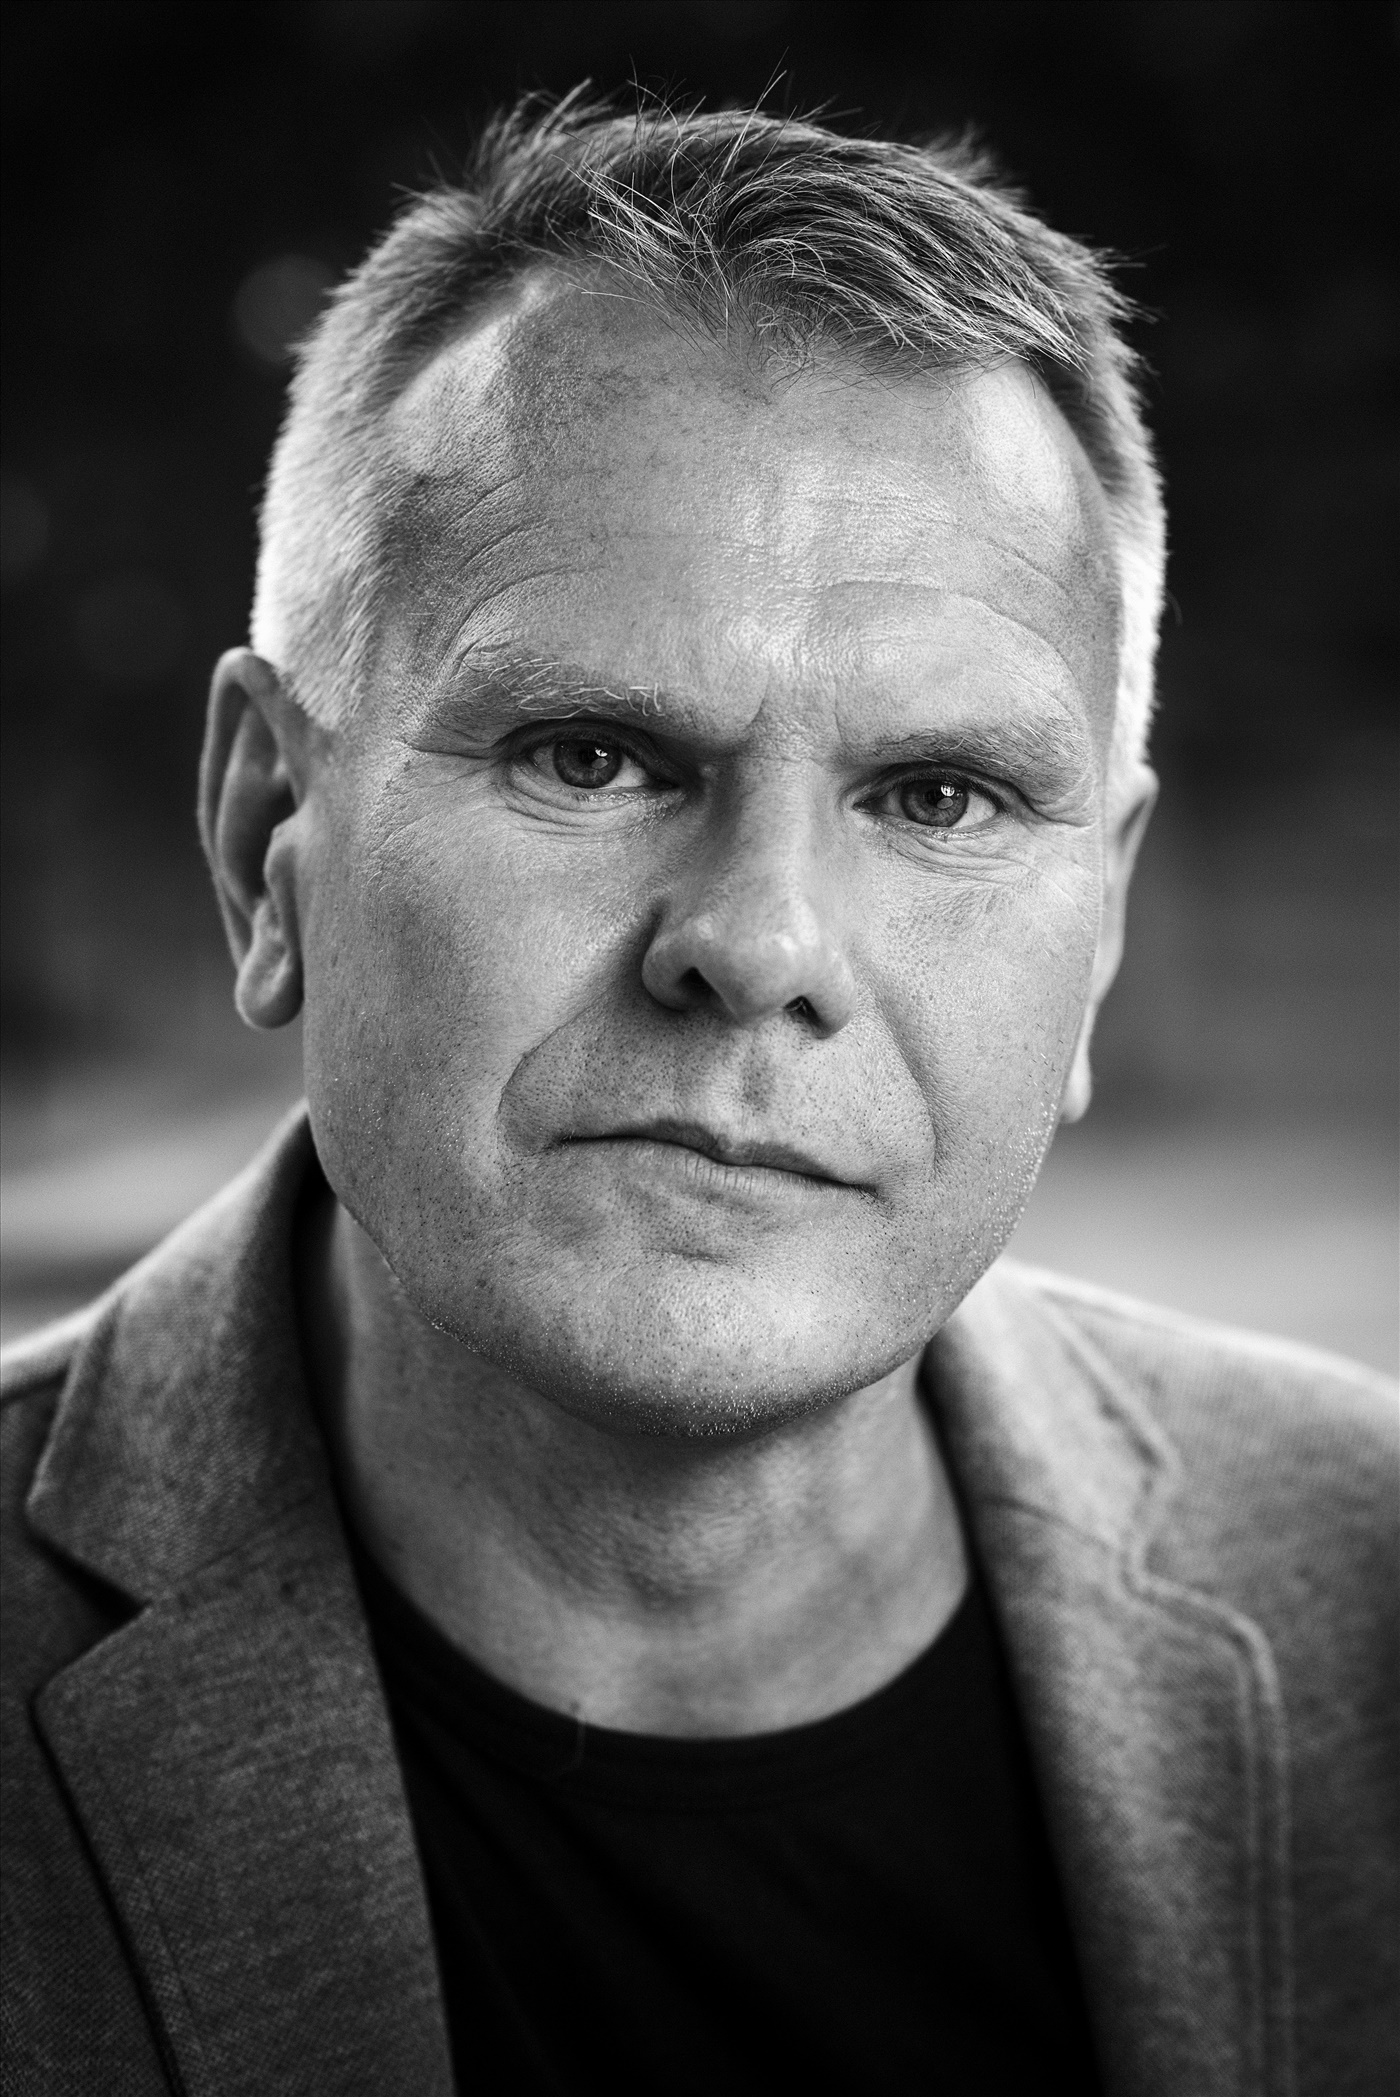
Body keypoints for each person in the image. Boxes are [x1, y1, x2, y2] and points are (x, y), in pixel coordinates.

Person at [2, 94, 1394, 2097]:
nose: (757, 940)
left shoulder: (1373, 1580)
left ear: (1096, 930)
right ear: (262, 837)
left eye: (939, 794)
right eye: (590, 754)